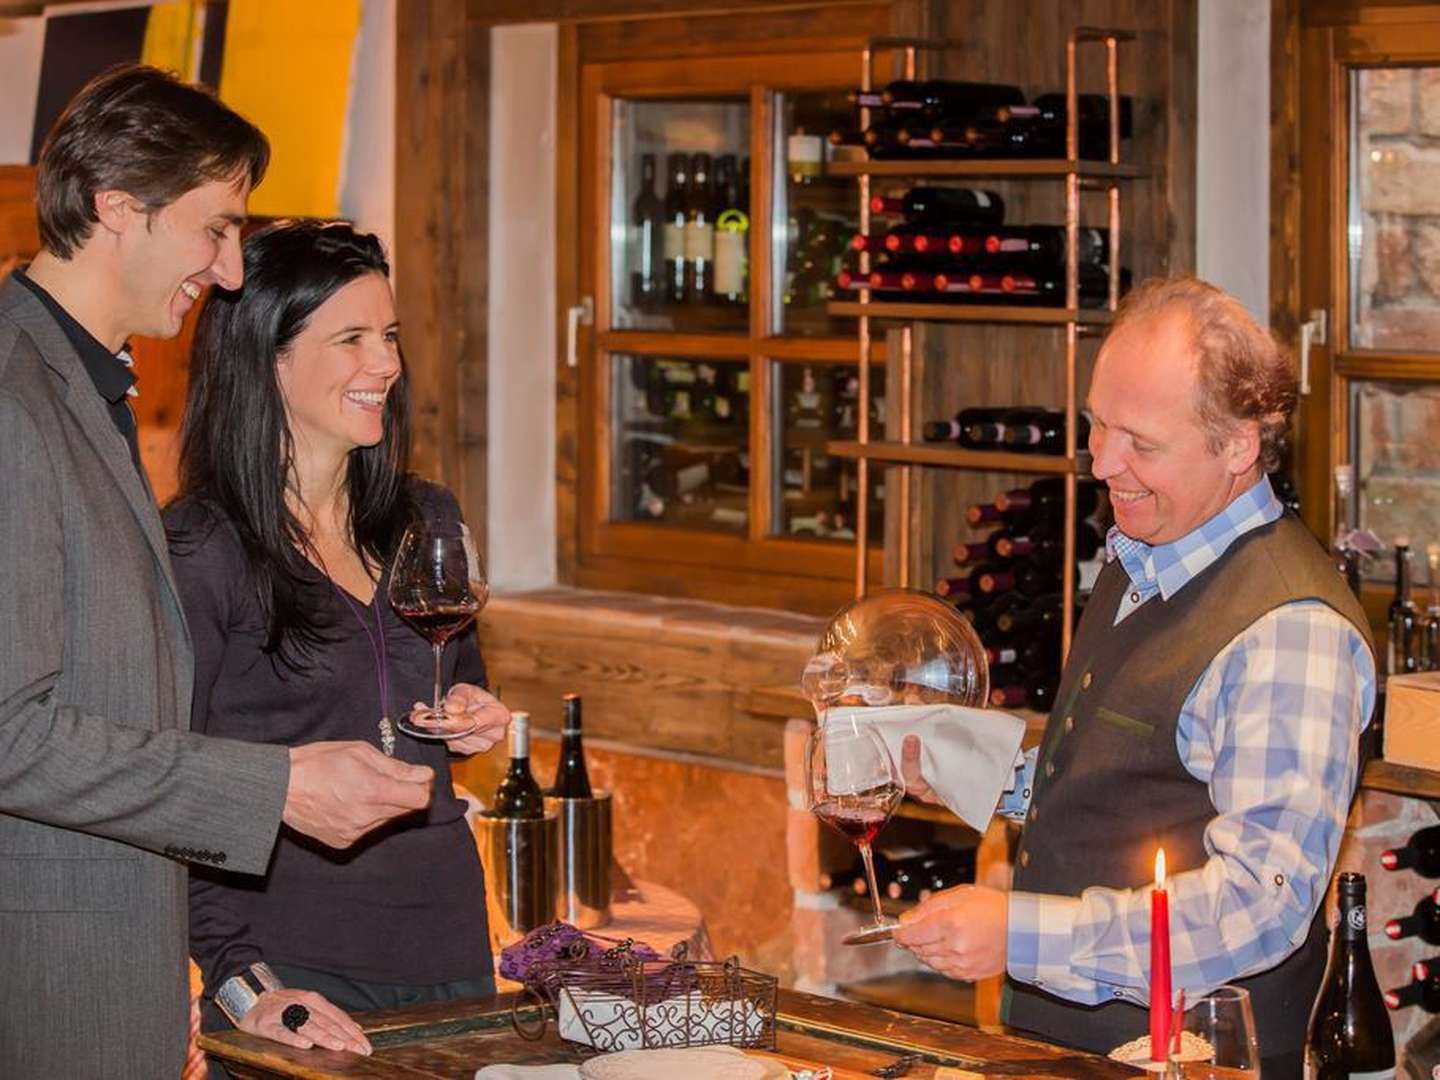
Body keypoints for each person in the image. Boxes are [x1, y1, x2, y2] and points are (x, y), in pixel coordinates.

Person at [0, 66, 448, 1080]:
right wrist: (275, 785)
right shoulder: (13, 399)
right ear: (119, 207)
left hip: (118, 980)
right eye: (215, 228)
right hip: (48, 987)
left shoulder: (81, 386)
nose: (232, 268)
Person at [893, 277, 1375, 1078]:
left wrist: (1020, 932)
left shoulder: (1293, 635)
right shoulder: (1146, 550)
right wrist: (963, 767)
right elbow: (1130, 772)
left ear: (1238, 446)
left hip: (1197, 1061)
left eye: (1140, 442)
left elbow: (1262, 907)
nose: (1102, 461)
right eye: (1096, 424)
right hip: (1076, 1051)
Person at [165, 219, 509, 1066]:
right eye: (351, 338)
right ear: (268, 358)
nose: (386, 363)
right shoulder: (199, 549)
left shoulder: (425, 517)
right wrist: (247, 986)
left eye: (388, 336)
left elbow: (445, 700)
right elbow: (172, 793)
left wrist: (468, 715)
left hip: (449, 947)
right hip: (300, 978)